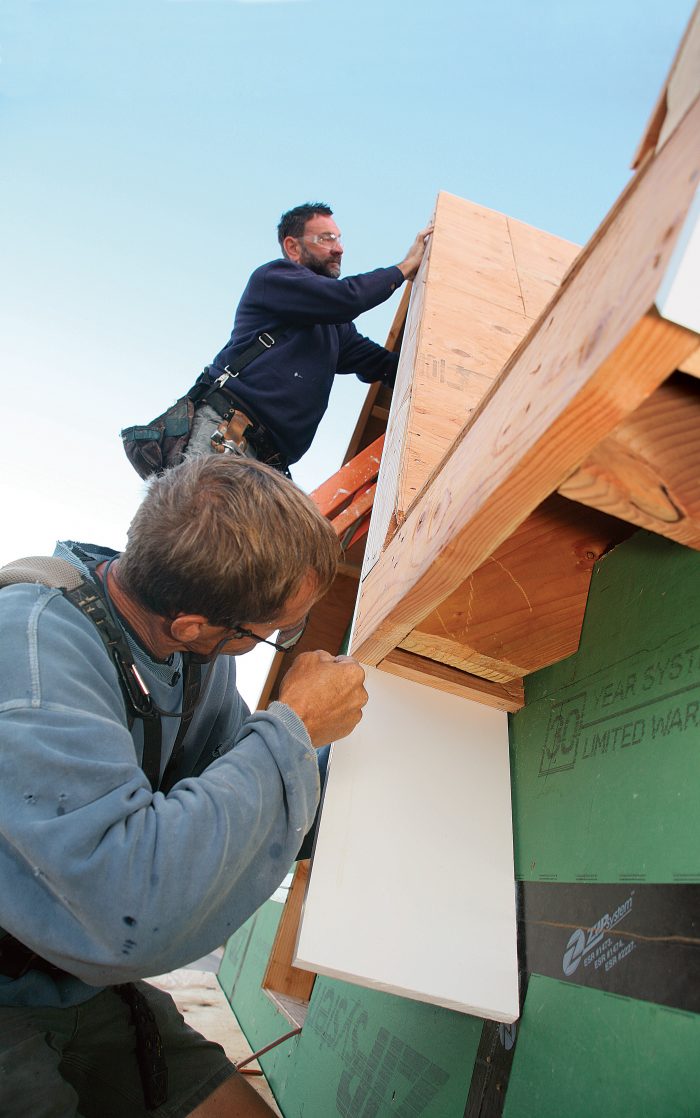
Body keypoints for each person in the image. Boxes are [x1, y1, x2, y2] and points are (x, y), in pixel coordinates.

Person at [0, 454, 368, 1117]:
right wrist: (292, 727)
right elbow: (128, 905)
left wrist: (349, 763)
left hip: (72, 981)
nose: (283, 642)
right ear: (195, 625)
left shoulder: (186, 657)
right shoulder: (30, 662)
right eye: (276, 633)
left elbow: (234, 802)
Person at [187, 202, 432, 470]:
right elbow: (347, 298)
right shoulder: (273, 278)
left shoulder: (334, 330)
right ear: (293, 247)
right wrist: (406, 267)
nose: (339, 248)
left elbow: (382, 365)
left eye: (338, 239)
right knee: (200, 511)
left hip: (269, 463)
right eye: (326, 239)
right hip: (227, 435)